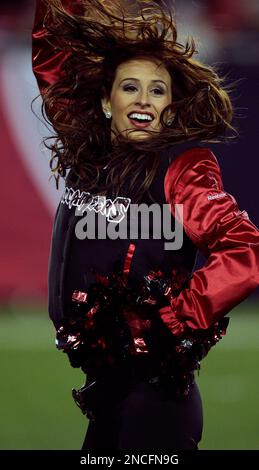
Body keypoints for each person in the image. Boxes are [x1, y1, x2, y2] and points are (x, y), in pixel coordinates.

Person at [32, 0, 259, 451]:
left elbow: (244, 249)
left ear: (170, 110)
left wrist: (179, 316)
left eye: (157, 91)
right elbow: (51, 50)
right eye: (129, 87)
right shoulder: (88, 152)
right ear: (104, 100)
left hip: (155, 398)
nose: (143, 99)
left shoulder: (181, 169)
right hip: (107, 392)